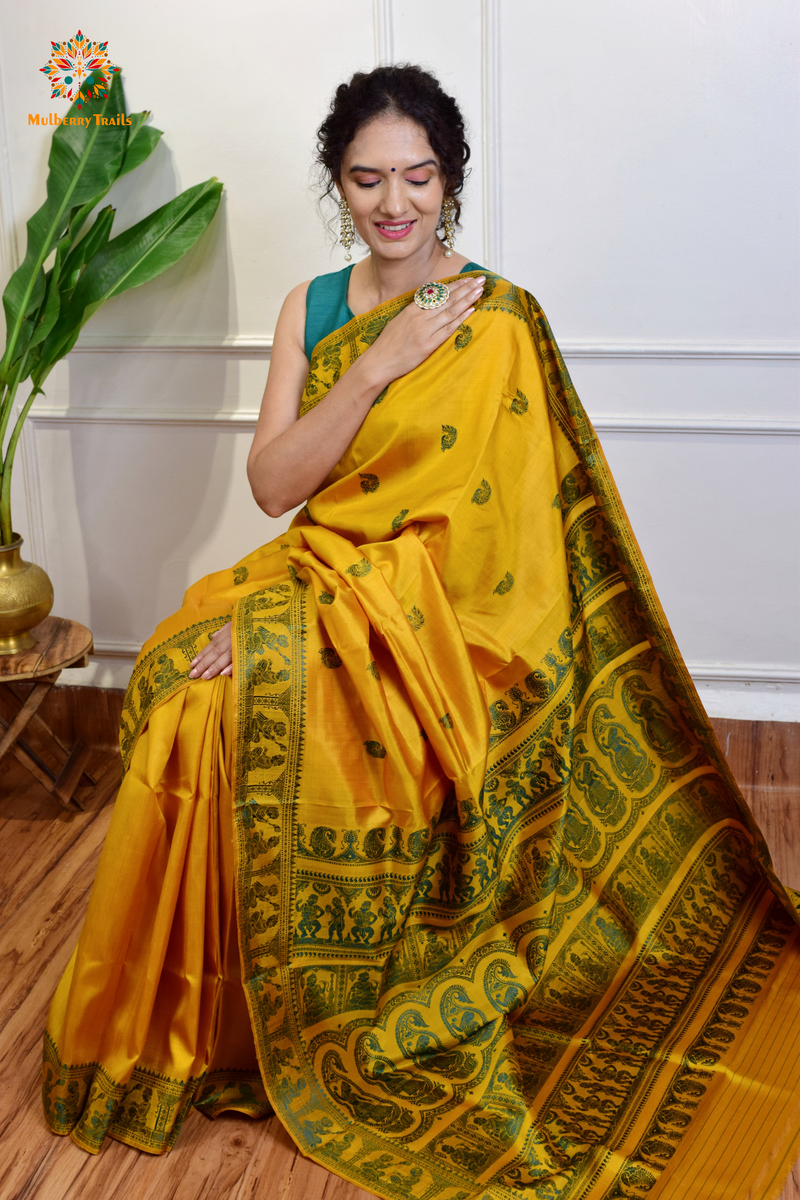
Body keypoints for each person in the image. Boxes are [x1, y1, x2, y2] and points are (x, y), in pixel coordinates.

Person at [43, 65, 800, 1199]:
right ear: (335, 183)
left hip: (439, 620)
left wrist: (313, 632)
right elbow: (272, 484)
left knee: (248, 697)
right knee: (176, 687)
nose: (393, 203)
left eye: (416, 177)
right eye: (366, 178)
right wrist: (379, 369)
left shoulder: (497, 319)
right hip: (320, 571)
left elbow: (499, 561)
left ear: (448, 181)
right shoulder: (312, 307)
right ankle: (200, 1033)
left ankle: (306, 1016)